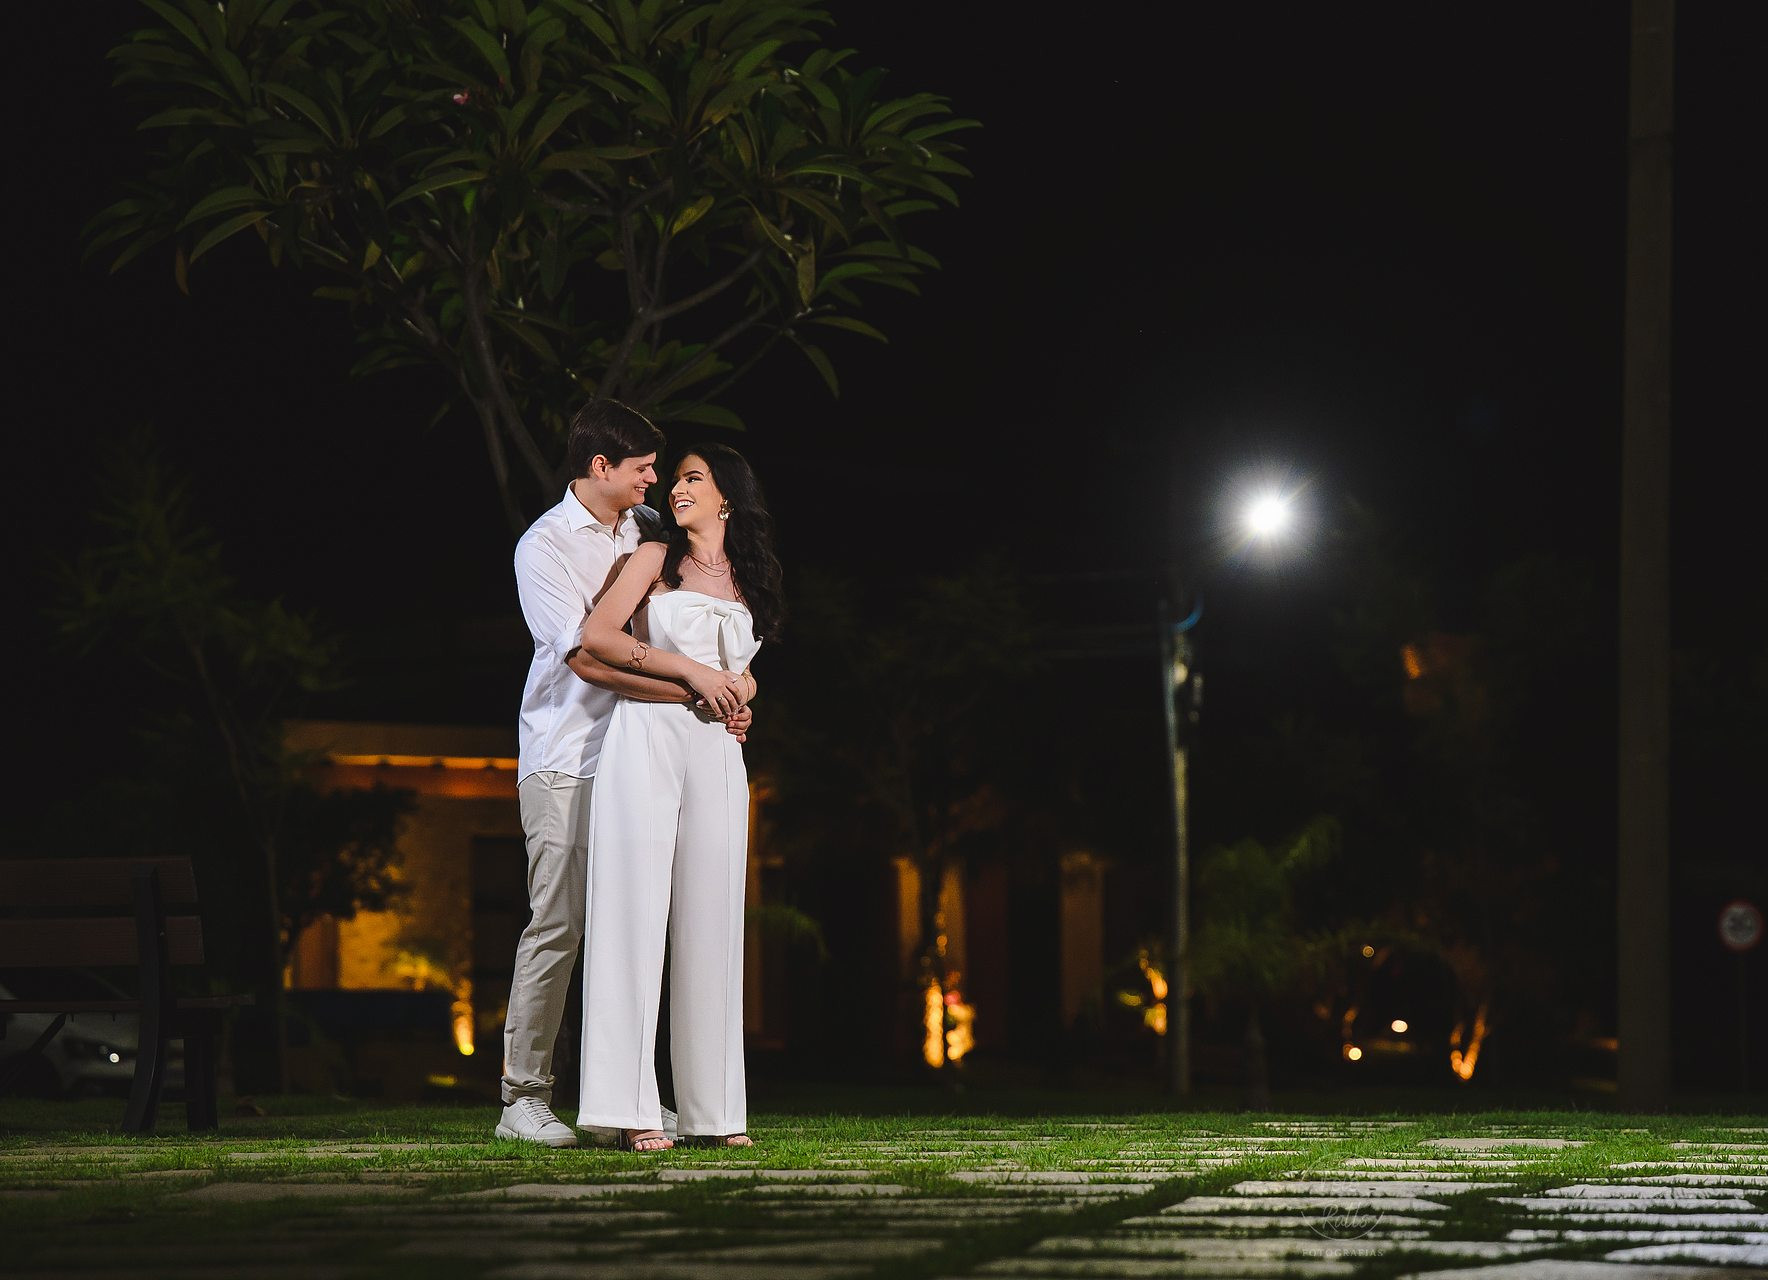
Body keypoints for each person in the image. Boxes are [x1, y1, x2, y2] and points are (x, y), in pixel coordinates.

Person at [498, 402, 752, 1148]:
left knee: (641, 924)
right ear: (600, 466)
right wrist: (694, 691)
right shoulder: (544, 546)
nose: (655, 480)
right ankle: (523, 1096)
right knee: (561, 922)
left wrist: (729, 696)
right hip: (569, 756)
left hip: (646, 755)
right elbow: (585, 655)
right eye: (643, 467)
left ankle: (630, 1098)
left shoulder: (647, 532)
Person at [570, 443, 783, 1152]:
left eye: (694, 478)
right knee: (632, 914)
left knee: (714, 921)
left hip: (718, 750)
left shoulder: (751, 576)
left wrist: (742, 693)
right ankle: (628, 1108)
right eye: (678, 478)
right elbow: (597, 638)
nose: (677, 488)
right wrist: (691, 672)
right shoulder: (652, 558)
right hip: (646, 736)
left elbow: (744, 666)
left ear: (728, 497)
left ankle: (714, 1113)